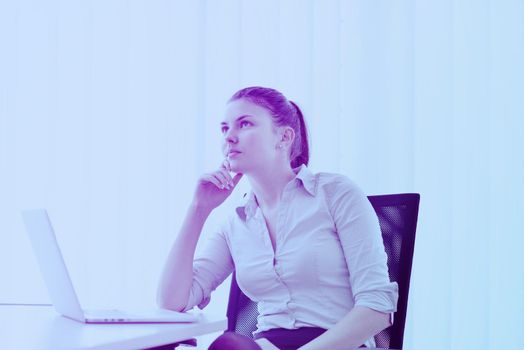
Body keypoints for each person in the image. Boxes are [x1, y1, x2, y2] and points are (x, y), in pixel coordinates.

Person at [157, 86, 398, 350]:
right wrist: (198, 209)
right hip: (269, 345)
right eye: (224, 128)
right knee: (222, 345)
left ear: (283, 137)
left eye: (244, 124)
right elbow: (172, 303)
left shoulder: (335, 194)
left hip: (338, 345)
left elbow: (377, 308)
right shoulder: (235, 224)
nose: (229, 137)